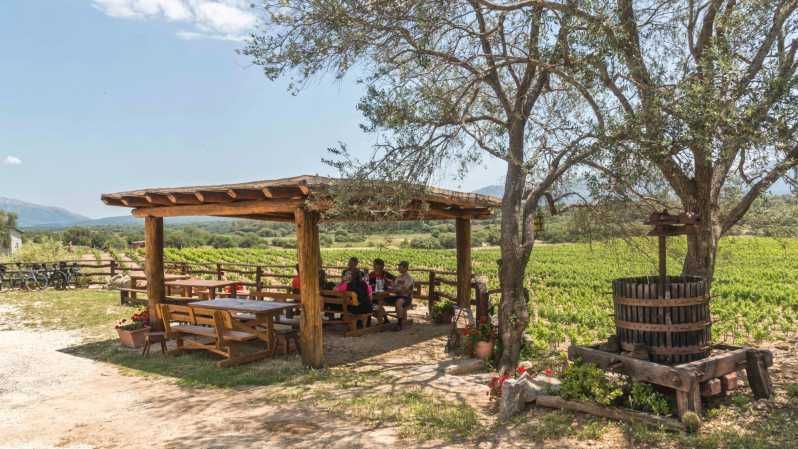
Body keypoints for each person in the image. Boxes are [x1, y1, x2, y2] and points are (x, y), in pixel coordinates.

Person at [384, 261, 414, 329]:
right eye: (398, 267)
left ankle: (399, 324)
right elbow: (395, 287)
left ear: (406, 268)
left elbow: (405, 290)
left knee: (399, 302)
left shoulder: (409, 278)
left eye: (400, 267)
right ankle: (385, 319)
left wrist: (395, 289)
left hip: (406, 297)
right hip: (397, 295)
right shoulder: (399, 277)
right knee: (382, 300)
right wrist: (390, 284)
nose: (398, 268)